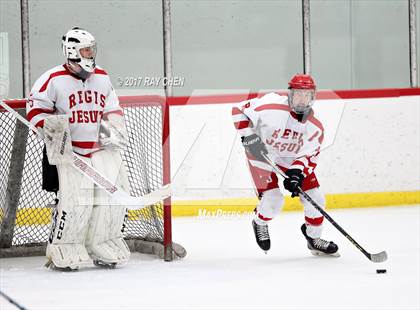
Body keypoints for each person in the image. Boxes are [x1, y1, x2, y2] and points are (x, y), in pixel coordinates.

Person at [27, 27, 131, 270]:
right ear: (72, 51)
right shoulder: (52, 79)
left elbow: (111, 109)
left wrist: (113, 134)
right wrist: (48, 125)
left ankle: (103, 243)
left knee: (109, 200)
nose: (90, 53)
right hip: (67, 154)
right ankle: (64, 247)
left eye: (91, 49)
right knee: (74, 202)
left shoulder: (102, 77)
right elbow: (35, 110)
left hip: (98, 152)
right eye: (85, 49)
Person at [232, 74, 339, 257]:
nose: (302, 99)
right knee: (274, 200)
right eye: (298, 94)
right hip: (261, 155)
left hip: (289, 160)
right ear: (290, 94)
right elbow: (238, 110)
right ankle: (260, 222)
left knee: (316, 198)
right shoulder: (270, 105)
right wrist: (249, 136)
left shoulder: (315, 127)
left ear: (313, 97)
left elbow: (309, 156)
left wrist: (296, 173)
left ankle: (313, 239)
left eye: (307, 95)